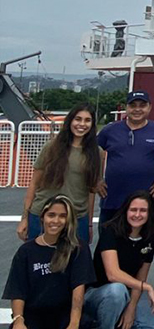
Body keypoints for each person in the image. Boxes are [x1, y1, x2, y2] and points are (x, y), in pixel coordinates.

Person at [4, 194, 95, 329]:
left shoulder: (77, 248)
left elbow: (78, 291)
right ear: (43, 217)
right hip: (34, 311)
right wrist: (18, 322)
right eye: (51, 215)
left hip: (63, 310)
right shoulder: (26, 251)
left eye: (62, 216)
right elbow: (18, 291)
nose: (56, 220)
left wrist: (73, 326)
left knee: (81, 326)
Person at [84, 191, 154, 329]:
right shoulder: (110, 230)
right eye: (133, 210)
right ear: (126, 210)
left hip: (129, 291)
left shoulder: (150, 235)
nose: (137, 215)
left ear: (150, 213)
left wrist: (131, 308)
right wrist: (147, 287)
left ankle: (117, 320)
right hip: (99, 292)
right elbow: (112, 274)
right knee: (117, 290)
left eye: (143, 210)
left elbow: (141, 275)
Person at [17, 104, 102, 245]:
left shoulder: (96, 153)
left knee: (74, 263)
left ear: (92, 125)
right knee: (39, 262)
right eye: (78, 119)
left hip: (77, 218)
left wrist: (88, 224)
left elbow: (91, 191)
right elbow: (34, 183)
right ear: (70, 121)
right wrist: (25, 218)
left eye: (87, 120)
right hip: (43, 215)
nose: (81, 124)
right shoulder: (51, 147)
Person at [97, 91, 154, 227]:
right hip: (112, 202)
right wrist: (97, 178)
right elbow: (93, 153)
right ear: (126, 107)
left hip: (143, 205)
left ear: (150, 107)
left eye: (142, 105)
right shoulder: (110, 130)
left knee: (141, 246)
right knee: (108, 246)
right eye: (133, 105)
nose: (137, 109)